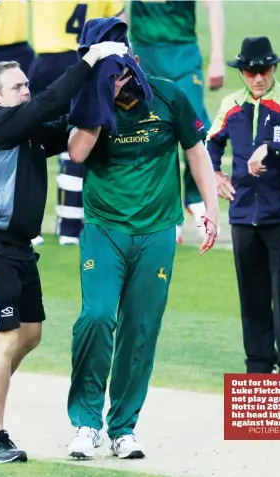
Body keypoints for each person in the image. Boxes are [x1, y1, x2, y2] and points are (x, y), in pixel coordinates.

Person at [0, 40, 129, 464]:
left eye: (27, 85)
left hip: (17, 249)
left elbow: (72, 131)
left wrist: (105, 93)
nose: (26, 92)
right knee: (6, 338)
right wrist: (89, 59)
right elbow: (51, 100)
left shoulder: (25, 127)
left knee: (30, 335)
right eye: (17, 88)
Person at [65, 28, 219, 459]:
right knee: (96, 317)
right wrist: (100, 95)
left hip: (156, 232)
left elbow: (196, 151)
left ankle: (123, 428)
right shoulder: (88, 100)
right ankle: (85, 423)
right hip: (104, 229)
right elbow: (77, 154)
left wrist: (210, 209)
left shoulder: (169, 96)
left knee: (141, 329)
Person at [207, 36, 280, 374]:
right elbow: (210, 142)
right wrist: (214, 172)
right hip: (243, 213)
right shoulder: (231, 104)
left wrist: (272, 146)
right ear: (242, 72)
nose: (258, 78)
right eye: (251, 71)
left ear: (273, 68)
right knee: (252, 294)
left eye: (264, 70)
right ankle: (257, 364)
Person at [28, 1, 127, 246]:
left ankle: (31, 227)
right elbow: (120, 22)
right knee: (78, 135)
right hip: (86, 62)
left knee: (31, 143)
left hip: (47, 64)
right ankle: (70, 229)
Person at [129, 0, 225, 243]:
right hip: (145, 54)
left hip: (184, 55)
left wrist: (217, 57)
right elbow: (117, 13)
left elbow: (214, 5)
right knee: (153, 130)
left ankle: (195, 199)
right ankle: (166, 212)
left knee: (196, 127)